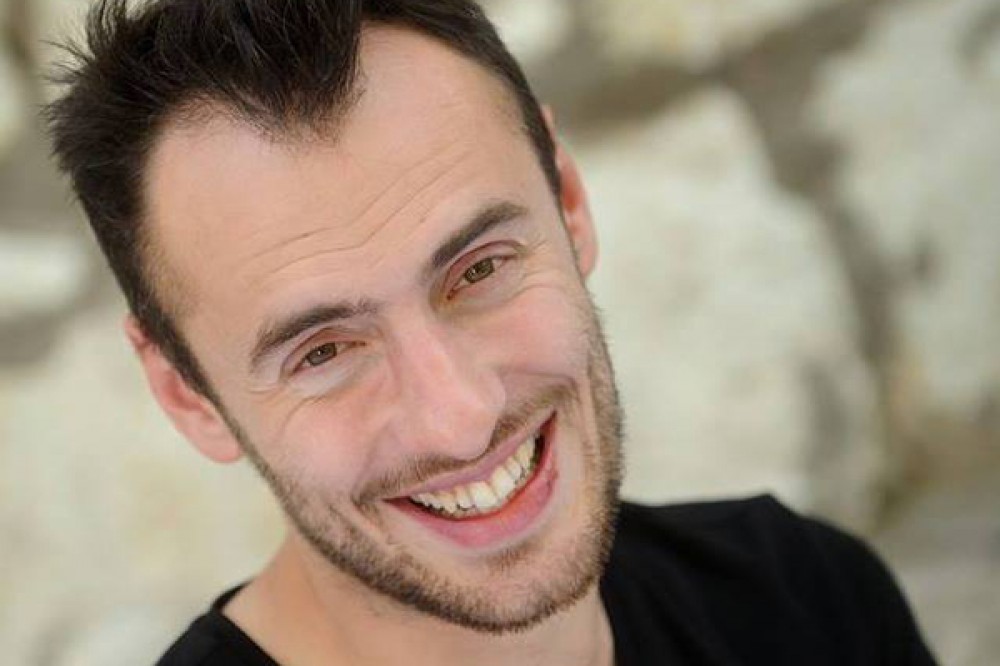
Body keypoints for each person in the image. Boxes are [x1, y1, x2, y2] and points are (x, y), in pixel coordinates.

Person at [45, 1, 938, 664]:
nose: (462, 419)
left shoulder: (806, 600)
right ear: (187, 395)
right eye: (323, 352)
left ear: (570, 204)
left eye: (478, 271)